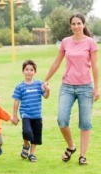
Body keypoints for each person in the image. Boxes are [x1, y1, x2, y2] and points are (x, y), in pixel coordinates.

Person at [43, 13, 99, 165]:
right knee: (62, 119)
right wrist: (46, 79)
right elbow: (57, 63)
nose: (76, 26)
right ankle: (71, 146)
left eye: (79, 23)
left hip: (85, 87)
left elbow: (95, 66)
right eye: (73, 24)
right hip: (67, 86)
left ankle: (82, 155)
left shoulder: (90, 43)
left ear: (84, 25)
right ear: (70, 26)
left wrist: (97, 88)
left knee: (85, 122)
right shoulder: (66, 42)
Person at [12, 60, 50, 162]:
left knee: (36, 135)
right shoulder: (20, 87)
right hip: (26, 114)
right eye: (27, 69)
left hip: (37, 115)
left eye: (31, 70)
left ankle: (32, 154)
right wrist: (14, 116)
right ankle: (25, 144)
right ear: (23, 71)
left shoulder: (39, 84)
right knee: (27, 131)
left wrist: (48, 90)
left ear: (35, 72)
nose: (29, 72)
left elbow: (45, 96)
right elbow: (16, 101)